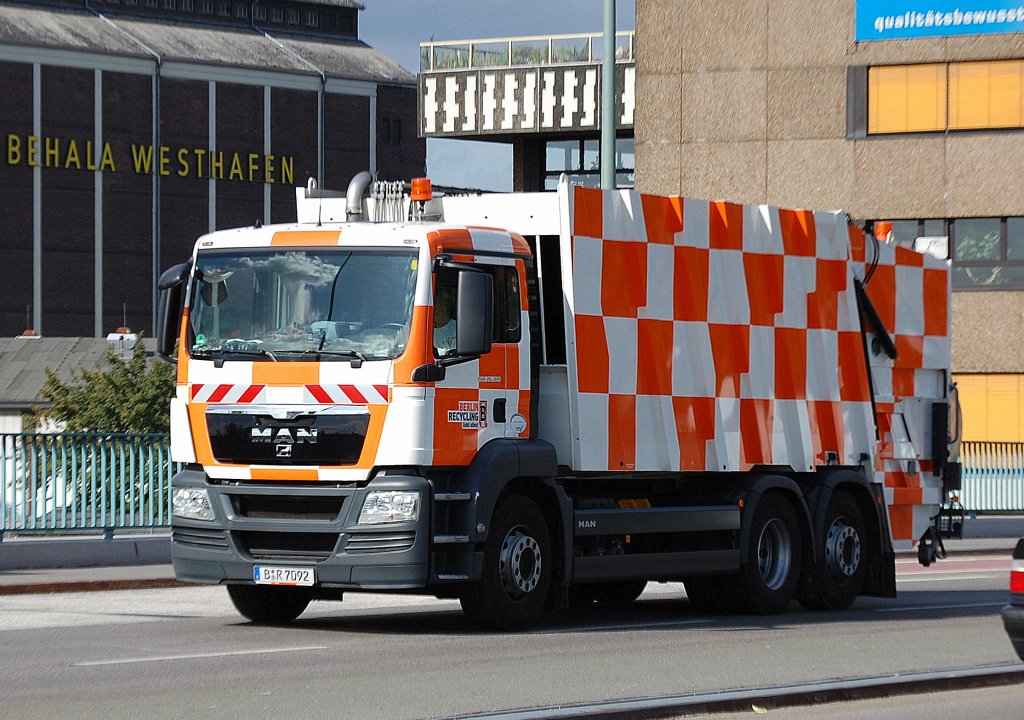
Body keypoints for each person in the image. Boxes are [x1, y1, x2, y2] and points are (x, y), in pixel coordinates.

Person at [433, 285, 457, 356]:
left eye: (441, 302)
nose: (438, 308)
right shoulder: (426, 333)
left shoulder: (459, 329)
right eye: (435, 304)